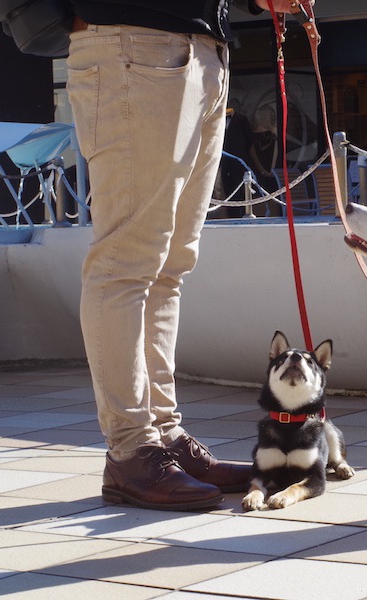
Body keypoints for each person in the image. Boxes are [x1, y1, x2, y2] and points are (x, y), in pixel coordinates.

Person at [65, 0, 304, 511]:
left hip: (200, 49)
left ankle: (163, 437)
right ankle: (131, 449)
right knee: (126, 262)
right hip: (133, 40)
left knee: (171, 265)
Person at [220, 100, 255, 217]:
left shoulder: (241, 120)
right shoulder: (218, 120)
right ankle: (231, 215)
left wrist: (241, 153)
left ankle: (241, 213)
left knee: (240, 188)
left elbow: (249, 139)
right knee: (228, 188)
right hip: (224, 161)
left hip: (239, 161)